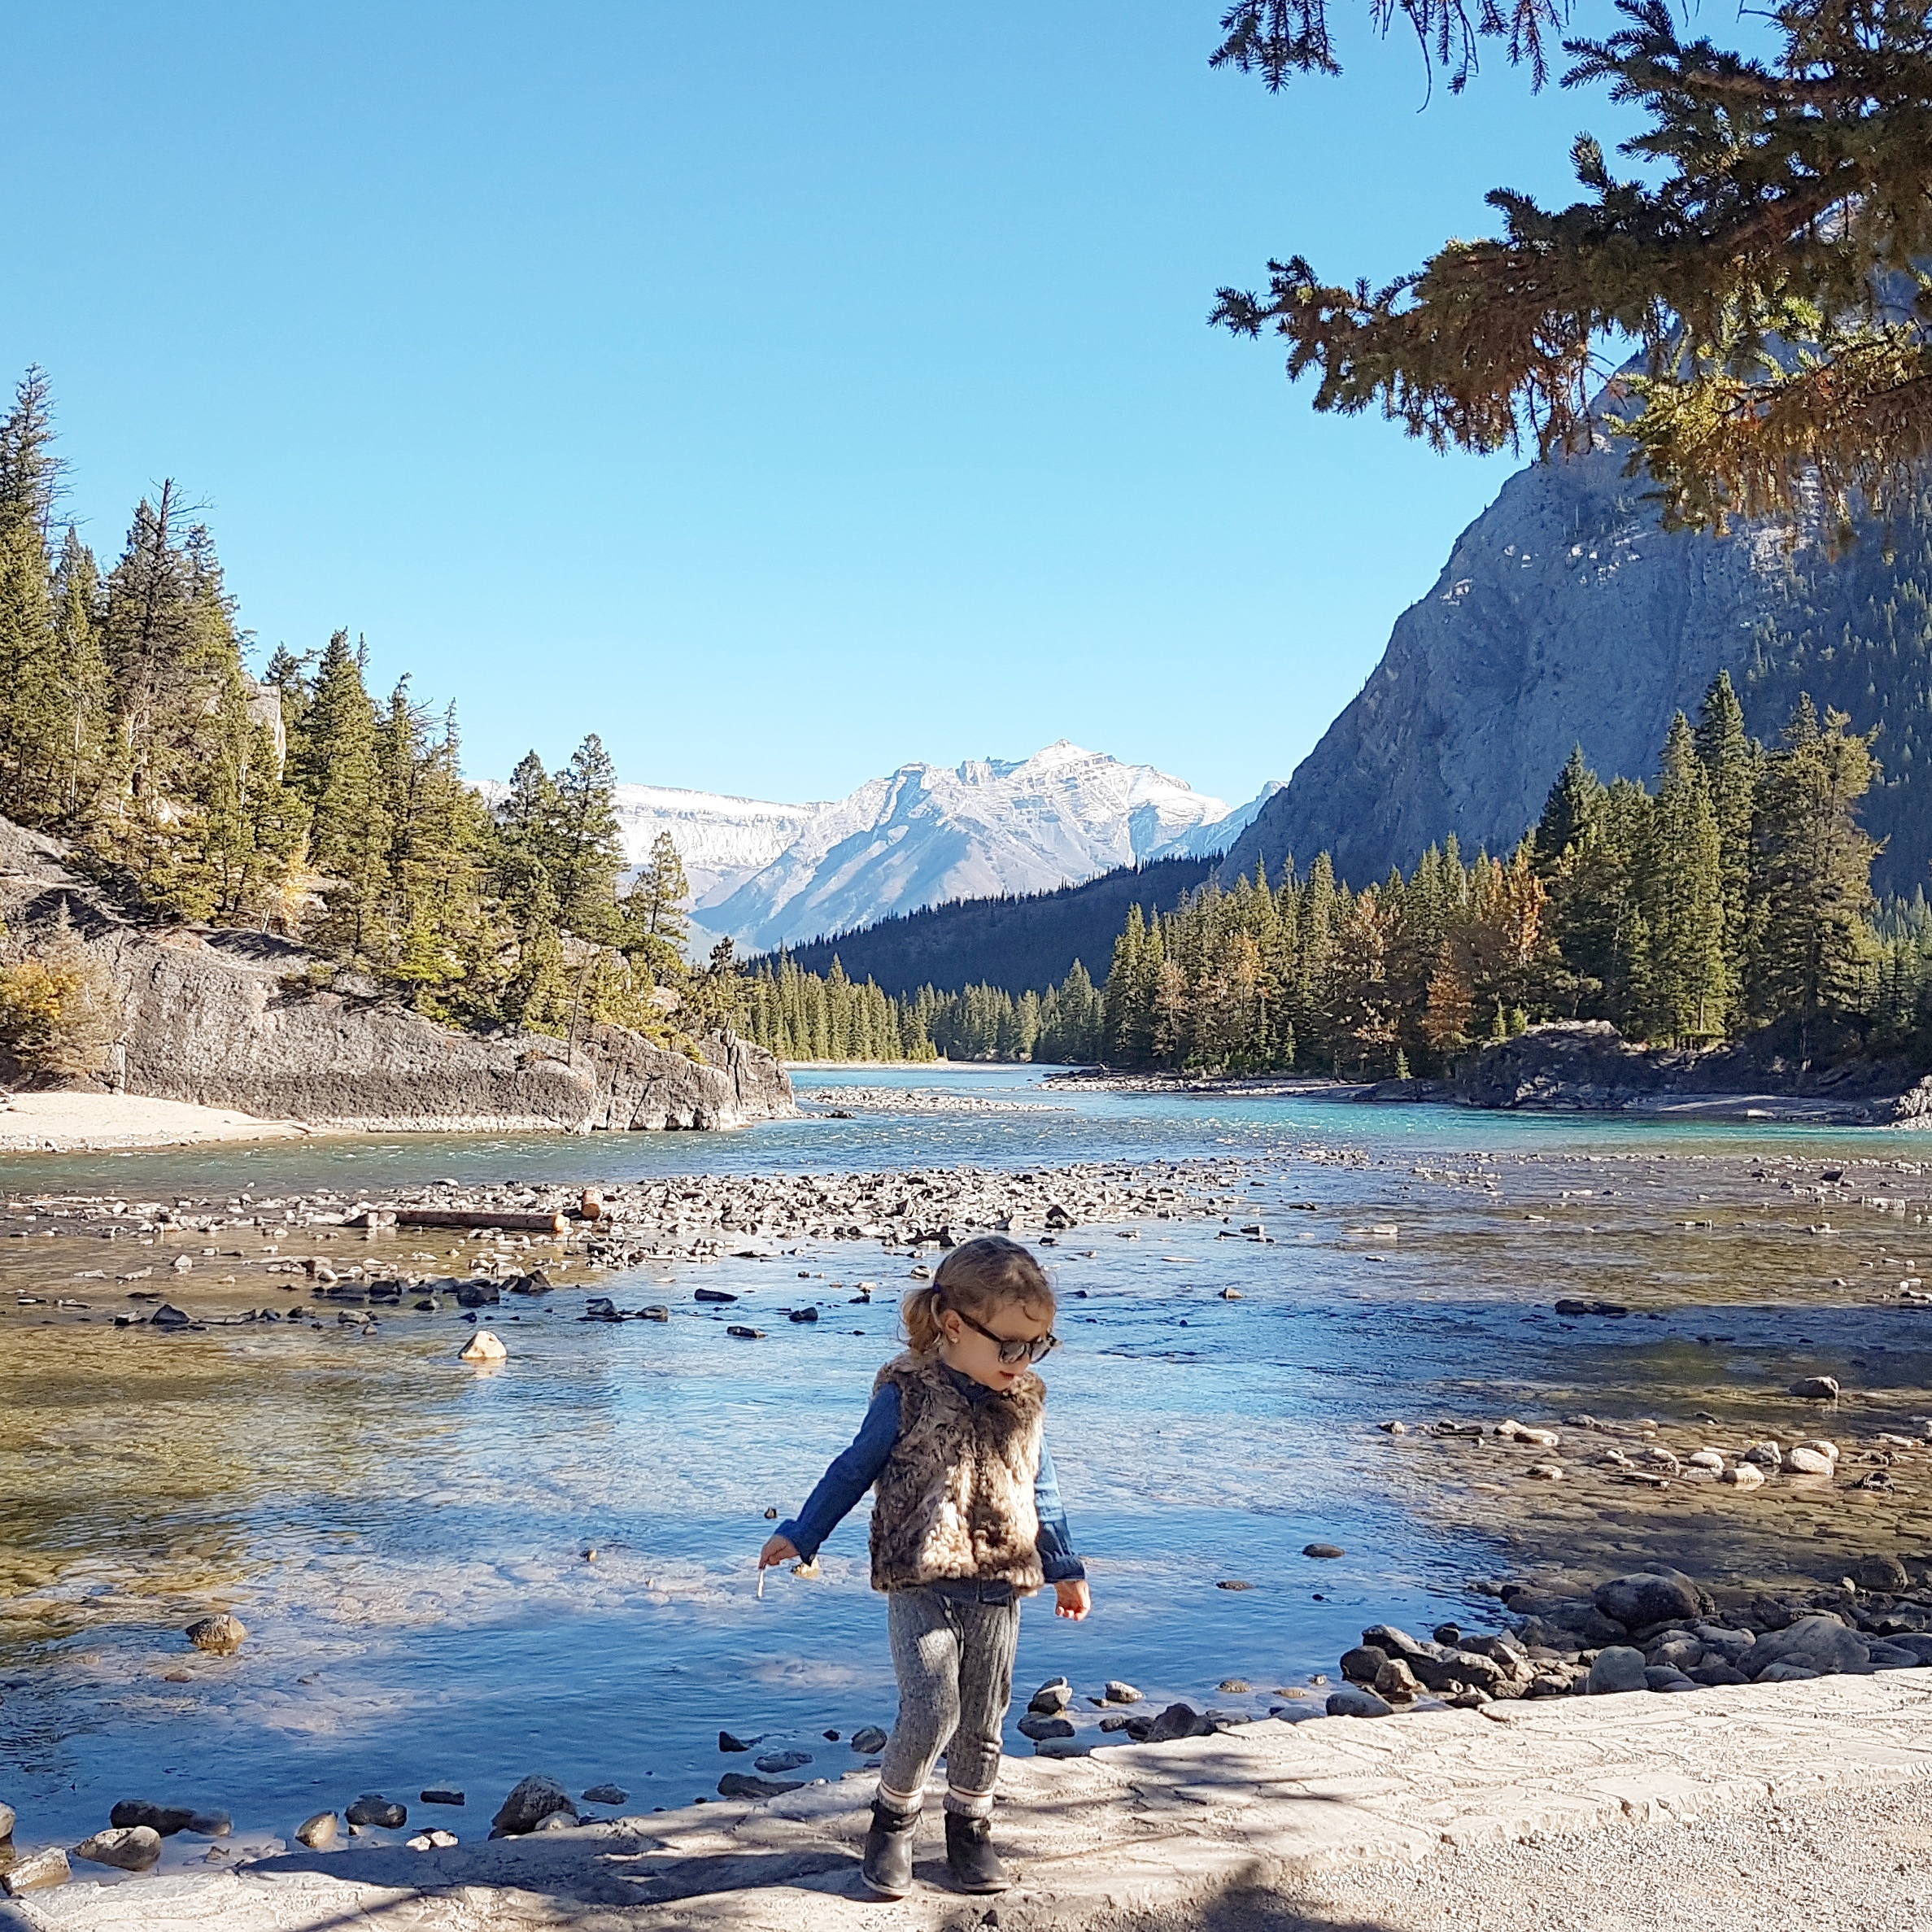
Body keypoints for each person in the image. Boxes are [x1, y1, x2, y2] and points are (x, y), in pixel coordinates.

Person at [758, 1233, 1089, 1899]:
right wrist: (804, 1531)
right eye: (1010, 1345)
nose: (1023, 1360)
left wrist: (1064, 1564)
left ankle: (969, 1825)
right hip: (919, 1573)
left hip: (1000, 1576)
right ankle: (893, 1819)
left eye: (1039, 1344)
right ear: (951, 1324)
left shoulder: (1023, 1400)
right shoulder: (907, 1392)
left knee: (983, 1715)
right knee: (932, 1703)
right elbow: (855, 1466)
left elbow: (1041, 1485)